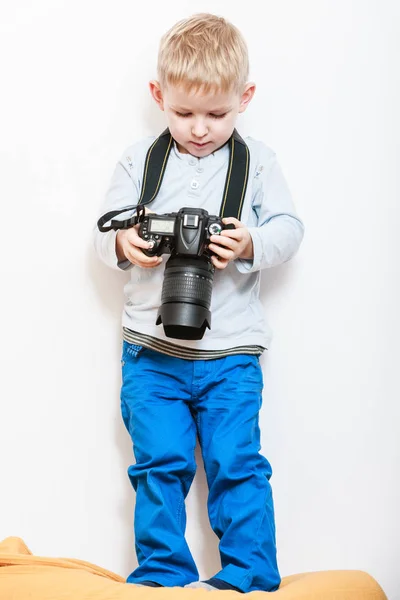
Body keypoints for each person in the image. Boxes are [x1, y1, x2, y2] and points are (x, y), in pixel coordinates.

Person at [94, 12, 304, 593]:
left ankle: (249, 577)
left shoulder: (257, 162)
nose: (201, 129)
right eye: (183, 113)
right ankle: (162, 576)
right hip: (150, 352)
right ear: (158, 95)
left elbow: (290, 228)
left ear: (246, 97)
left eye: (217, 114)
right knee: (158, 467)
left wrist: (249, 242)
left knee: (237, 466)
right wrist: (123, 242)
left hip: (231, 353)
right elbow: (102, 232)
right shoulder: (139, 162)